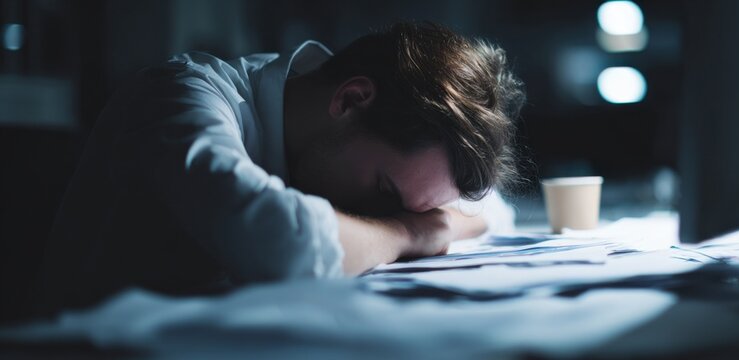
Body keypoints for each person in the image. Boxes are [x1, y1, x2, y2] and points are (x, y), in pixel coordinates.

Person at [41, 22, 525, 311]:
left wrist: (430, 220)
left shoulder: (352, 142)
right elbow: (282, 243)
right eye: (384, 189)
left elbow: (493, 210)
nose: (379, 212)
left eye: (411, 209)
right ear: (351, 99)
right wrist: (407, 232)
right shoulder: (179, 99)